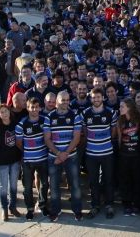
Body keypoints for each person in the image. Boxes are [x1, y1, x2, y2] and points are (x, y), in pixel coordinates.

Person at [44, 91, 83, 222]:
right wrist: (58, 154)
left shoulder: (75, 116)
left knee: (75, 184)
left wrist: (65, 154)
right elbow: (47, 139)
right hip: (53, 156)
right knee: (54, 186)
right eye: (63, 100)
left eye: (67, 100)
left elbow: (76, 138)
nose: (66, 102)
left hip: (71, 156)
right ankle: (55, 211)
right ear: (57, 102)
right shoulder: (49, 117)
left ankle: (77, 210)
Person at [82, 87, 118, 219]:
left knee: (108, 180)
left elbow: (113, 132)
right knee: (93, 181)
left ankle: (109, 205)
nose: (96, 99)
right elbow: (85, 132)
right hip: (91, 153)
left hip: (107, 152)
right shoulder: (85, 113)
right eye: (93, 97)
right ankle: (95, 205)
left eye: (98, 97)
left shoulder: (111, 112)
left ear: (103, 98)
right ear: (90, 99)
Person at [15, 96, 49, 219]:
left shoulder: (45, 120)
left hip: (43, 159)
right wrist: (28, 152)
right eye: (31, 107)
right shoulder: (22, 124)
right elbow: (19, 143)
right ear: (28, 108)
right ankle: (30, 208)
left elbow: (48, 138)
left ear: (40, 108)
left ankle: (42, 205)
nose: (34, 109)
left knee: (44, 184)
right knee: (28, 186)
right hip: (28, 161)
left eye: (36, 107)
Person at [0, 104, 22, 221]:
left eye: (6, 111)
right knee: (3, 186)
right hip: (2, 162)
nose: (4, 114)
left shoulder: (15, 124)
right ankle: (4, 208)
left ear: (9, 112)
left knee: (13, 185)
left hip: (14, 160)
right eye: (1, 112)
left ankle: (13, 207)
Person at [117, 98, 140, 217]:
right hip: (124, 155)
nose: (120, 108)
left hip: (136, 155)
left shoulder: (138, 119)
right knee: (125, 180)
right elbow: (119, 139)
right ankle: (127, 204)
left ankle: (136, 204)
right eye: (120, 106)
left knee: (136, 180)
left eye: (122, 106)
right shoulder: (120, 121)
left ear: (129, 107)